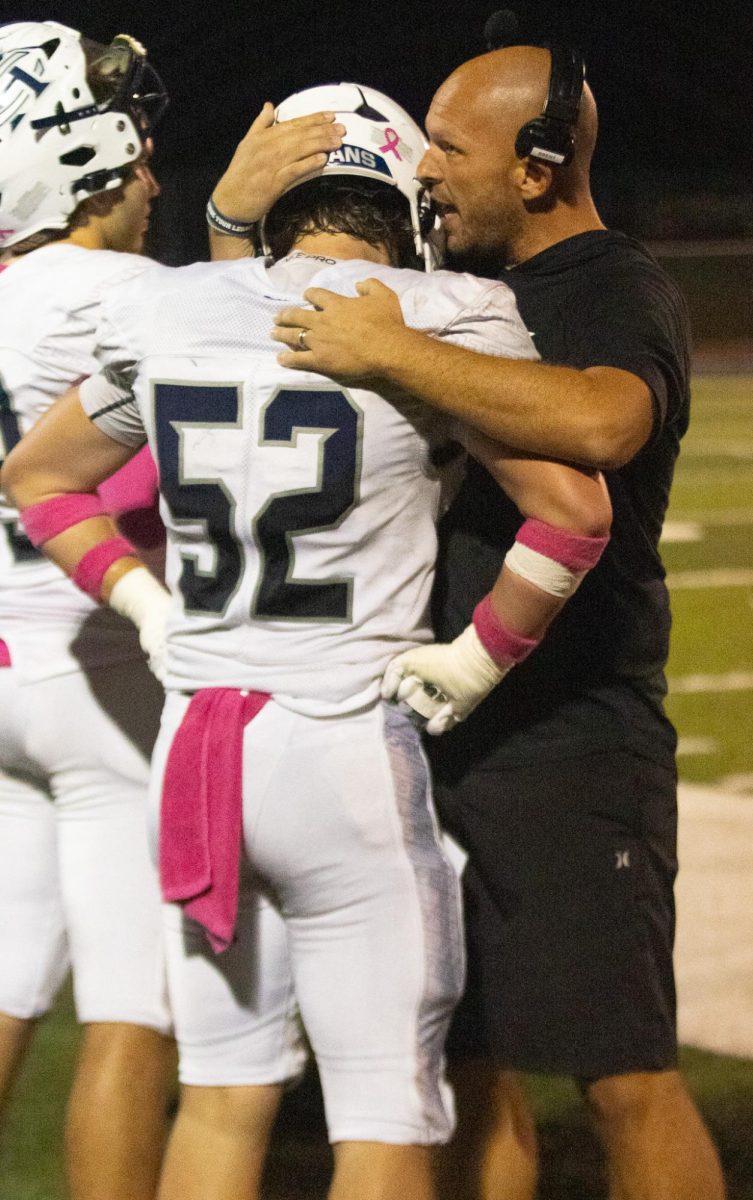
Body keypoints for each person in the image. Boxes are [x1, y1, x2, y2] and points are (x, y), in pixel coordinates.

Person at [3, 82, 613, 1200]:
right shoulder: (442, 315)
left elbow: (40, 481)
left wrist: (142, 602)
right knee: (382, 1116)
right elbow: (575, 515)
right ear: (403, 203)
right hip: (341, 750)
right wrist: (478, 657)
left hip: (193, 750)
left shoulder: (170, 308)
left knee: (225, 1098)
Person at [223, 44, 724, 1200]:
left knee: (624, 1074)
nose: (425, 169)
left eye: (450, 144)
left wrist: (398, 350)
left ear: (540, 168)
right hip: (425, 728)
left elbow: (605, 426)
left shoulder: (613, 285)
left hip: (569, 737)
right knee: (464, 1067)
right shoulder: (450, 276)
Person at [0, 22, 174, 1200]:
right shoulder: (136, 296)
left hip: (6, 672)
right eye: (139, 158)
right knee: (133, 1009)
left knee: (8, 980)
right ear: (87, 165)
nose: (157, 180)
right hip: (108, 673)